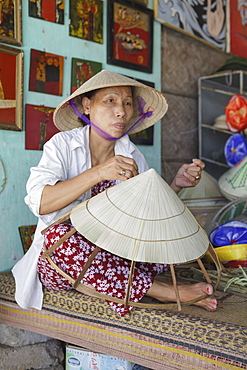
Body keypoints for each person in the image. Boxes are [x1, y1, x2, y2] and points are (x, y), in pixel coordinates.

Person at [12, 70, 217, 316]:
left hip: (112, 253)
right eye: (110, 100)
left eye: (127, 103)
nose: (121, 111)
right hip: (63, 260)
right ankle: (166, 292)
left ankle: (109, 284)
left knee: (160, 244)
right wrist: (99, 172)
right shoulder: (62, 145)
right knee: (58, 236)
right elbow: (41, 203)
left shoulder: (131, 155)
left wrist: (176, 185)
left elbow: (147, 215)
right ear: (87, 105)